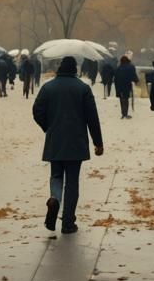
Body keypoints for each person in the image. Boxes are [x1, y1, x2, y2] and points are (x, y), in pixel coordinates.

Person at [32, 56, 103, 235]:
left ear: (59, 69)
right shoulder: (83, 89)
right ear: (75, 70)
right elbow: (92, 118)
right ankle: (68, 222)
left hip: (55, 139)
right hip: (76, 141)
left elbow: (37, 110)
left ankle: (55, 198)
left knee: (56, 175)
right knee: (72, 182)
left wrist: (47, 125)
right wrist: (98, 142)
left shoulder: (48, 87)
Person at [113, 54, 138, 119]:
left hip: (119, 85)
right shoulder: (131, 67)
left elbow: (115, 77)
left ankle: (123, 113)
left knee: (121, 99)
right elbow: (134, 76)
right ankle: (125, 113)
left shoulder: (118, 68)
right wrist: (136, 81)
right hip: (127, 85)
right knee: (126, 98)